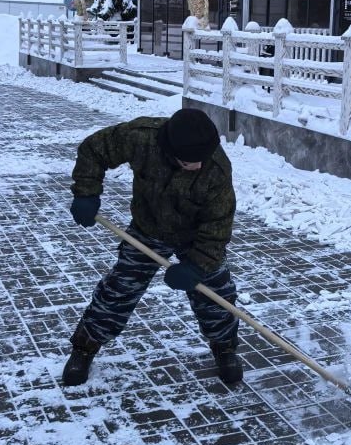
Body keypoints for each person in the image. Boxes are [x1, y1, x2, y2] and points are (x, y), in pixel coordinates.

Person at [64, 108, 242, 388]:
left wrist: (196, 265)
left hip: (195, 236)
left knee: (216, 295)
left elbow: (218, 226)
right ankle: (84, 348)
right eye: (190, 161)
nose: (198, 166)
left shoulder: (215, 169)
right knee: (119, 290)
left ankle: (225, 348)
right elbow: (94, 149)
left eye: (202, 160)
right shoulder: (141, 138)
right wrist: (86, 193)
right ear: (171, 151)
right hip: (148, 229)